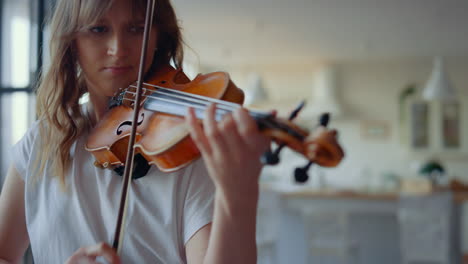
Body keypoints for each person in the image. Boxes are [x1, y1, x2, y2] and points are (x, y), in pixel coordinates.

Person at [0, 0, 270, 263]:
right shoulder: (43, 139)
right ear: (71, 42)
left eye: (136, 28)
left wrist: (237, 197)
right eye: (98, 29)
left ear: (157, 38)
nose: (118, 49)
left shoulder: (185, 148)